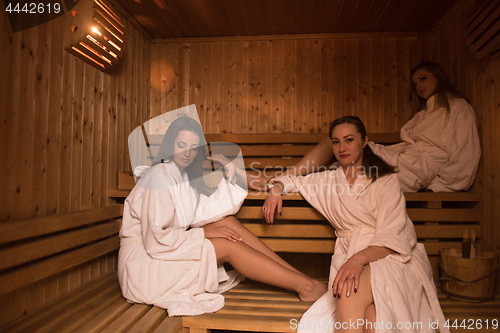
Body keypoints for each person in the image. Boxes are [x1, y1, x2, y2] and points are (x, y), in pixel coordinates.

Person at [118, 116, 326, 317]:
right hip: (145, 269)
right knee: (228, 246)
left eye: (193, 147)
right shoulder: (159, 177)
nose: (187, 152)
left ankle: (301, 279)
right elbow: (156, 240)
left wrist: (231, 169)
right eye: (181, 144)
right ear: (170, 144)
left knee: (228, 222)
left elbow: (206, 213)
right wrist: (204, 233)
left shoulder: (182, 178)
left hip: (164, 253)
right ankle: (306, 286)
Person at [263, 116, 449, 333]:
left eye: (349, 140)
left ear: (364, 141)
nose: (342, 147)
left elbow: (394, 237)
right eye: (335, 142)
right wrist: (276, 189)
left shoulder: (386, 180)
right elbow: (293, 180)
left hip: (392, 258)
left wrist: (356, 261)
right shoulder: (328, 181)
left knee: (352, 294)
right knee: (373, 318)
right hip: (353, 256)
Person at [252, 61, 480, 195]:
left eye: (422, 79)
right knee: (335, 155)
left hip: (414, 170)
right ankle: (277, 180)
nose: (418, 86)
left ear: (438, 77)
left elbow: (466, 155)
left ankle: (276, 180)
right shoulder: (422, 115)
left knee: (337, 158)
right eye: (415, 83)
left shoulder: (457, 108)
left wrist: (437, 187)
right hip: (403, 159)